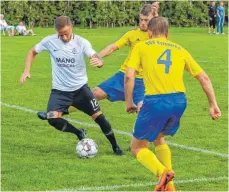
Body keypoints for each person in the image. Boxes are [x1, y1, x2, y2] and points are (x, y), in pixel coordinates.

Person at [124, 17, 221, 191]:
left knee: (137, 147)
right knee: (159, 137)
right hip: (179, 101)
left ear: (150, 33)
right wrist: (213, 104)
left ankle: (162, 172)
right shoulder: (180, 49)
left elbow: (129, 76)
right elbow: (204, 77)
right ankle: (171, 188)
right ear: (167, 34)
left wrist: (129, 101)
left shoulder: (142, 46)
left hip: (156, 101)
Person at [19, 16, 123, 156]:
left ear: (71, 27)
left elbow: (94, 55)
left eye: (66, 33)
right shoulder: (50, 41)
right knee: (52, 119)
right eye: (61, 35)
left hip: (81, 90)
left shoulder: (81, 42)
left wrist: (100, 62)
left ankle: (115, 146)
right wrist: (26, 70)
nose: (64, 37)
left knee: (100, 118)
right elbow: (32, 52)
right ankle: (78, 132)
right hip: (60, 91)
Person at [91, 4, 157, 113]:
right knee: (95, 93)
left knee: (144, 111)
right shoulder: (132, 34)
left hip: (143, 81)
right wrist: (98, 56)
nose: (143, 23)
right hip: (123, 75)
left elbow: (162, 29)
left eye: (146, 20)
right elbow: (113, 47)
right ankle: (60, 111)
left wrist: (156, 16)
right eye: (141, 19)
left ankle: (147, 130)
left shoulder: (156, 36)